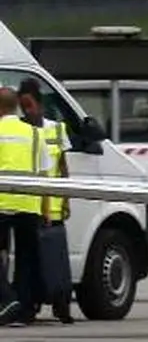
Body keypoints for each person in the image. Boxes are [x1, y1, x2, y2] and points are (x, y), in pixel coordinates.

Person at [18, 80, 73, 324]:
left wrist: (67, 198)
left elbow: (63, 166)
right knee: (31, 261)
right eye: (22, 106)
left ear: (40, 104)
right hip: (30, 206)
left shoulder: (56, 129)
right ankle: (30, 305)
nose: (26, 111)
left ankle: (62, 306)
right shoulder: (21, 130)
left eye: (29, 105)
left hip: (55, 207)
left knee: (56, 259)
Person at [0, 87, 51, 326]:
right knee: (26, 258)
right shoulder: (35, 134)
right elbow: (44, 174)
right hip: (30, 203)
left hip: (1, 203)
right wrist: (46, 208)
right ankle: (25, 310)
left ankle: (8, 301)